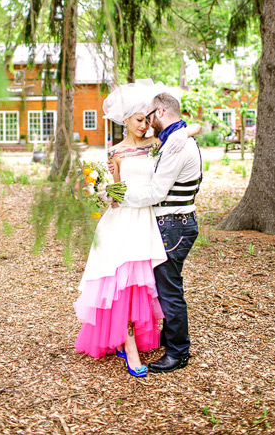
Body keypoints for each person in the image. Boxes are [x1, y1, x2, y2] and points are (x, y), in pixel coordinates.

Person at [73, 81, 199, 377]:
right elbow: (112, 191)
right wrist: (102, 189)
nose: (144, 125)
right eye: (139, 120)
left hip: (149, 221)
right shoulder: (114, 152)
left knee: (147, 285)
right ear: (126, 121)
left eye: (147, 119)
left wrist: (186, 131)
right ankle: (128, 345)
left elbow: (191, 129)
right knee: (124, 284)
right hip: (124, 220)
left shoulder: (157, 144)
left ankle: (145, 340)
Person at [115, 91, 202, 374]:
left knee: (169, 290)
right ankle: (169, 339)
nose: (149, 123)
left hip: (173, 225)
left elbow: (156, 192)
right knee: (167, 286)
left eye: (150, 116)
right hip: (173, 223)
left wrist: (120, 198)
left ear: (161, 113)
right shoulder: (177, 138)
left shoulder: (178, 144)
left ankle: (178, 352)